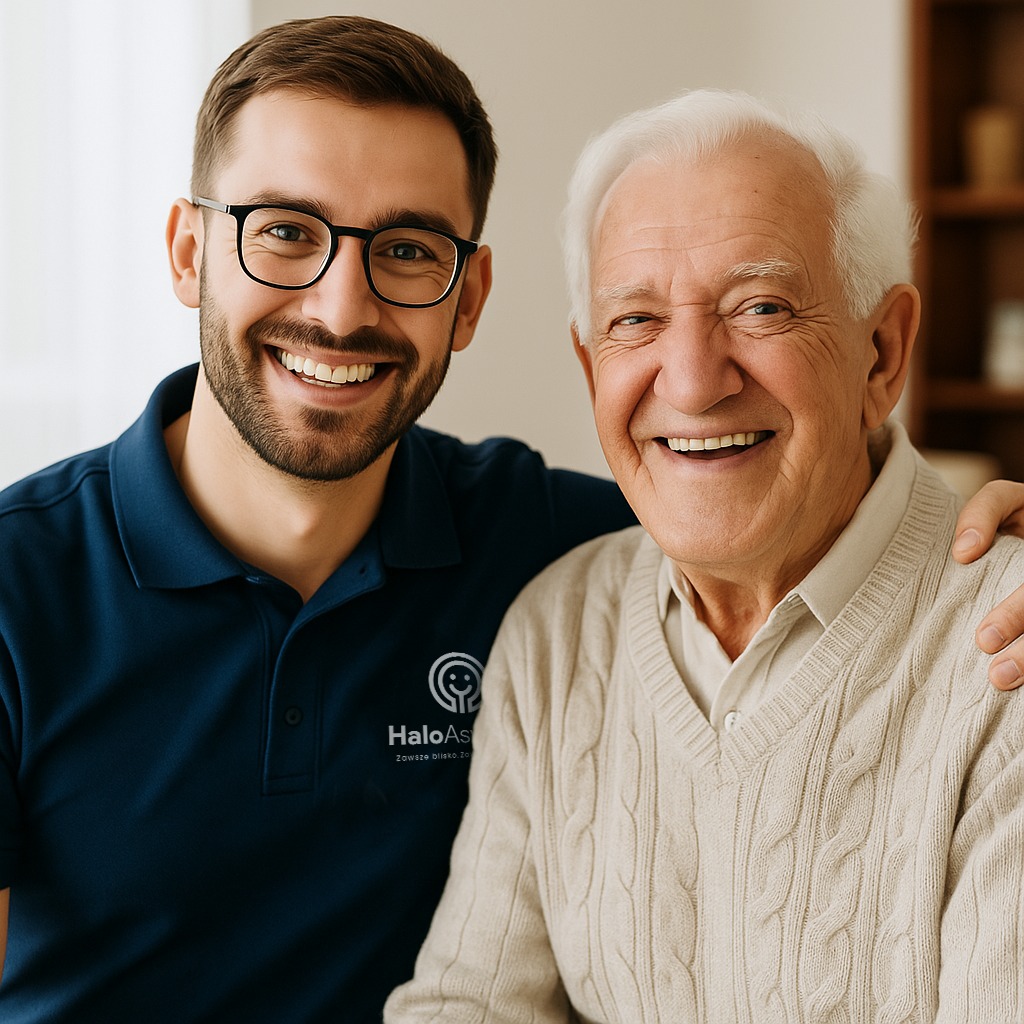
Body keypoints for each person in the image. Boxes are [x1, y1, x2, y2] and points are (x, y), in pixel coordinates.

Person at [0, 20, 1021, 1024]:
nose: (341, 305)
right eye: (282, 233)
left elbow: (770, 505)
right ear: (188, 252)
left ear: (469, 297)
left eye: (404, 248)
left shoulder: (548, 556)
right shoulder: (19, 579)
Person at [385, 90, 1024, 1022]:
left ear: (882, 352)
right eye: (634, 322)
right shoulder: (560, 625)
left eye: (760, 306)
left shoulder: (1006, 649)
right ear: (589, 363)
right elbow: (465, 1006)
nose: (689, 381)